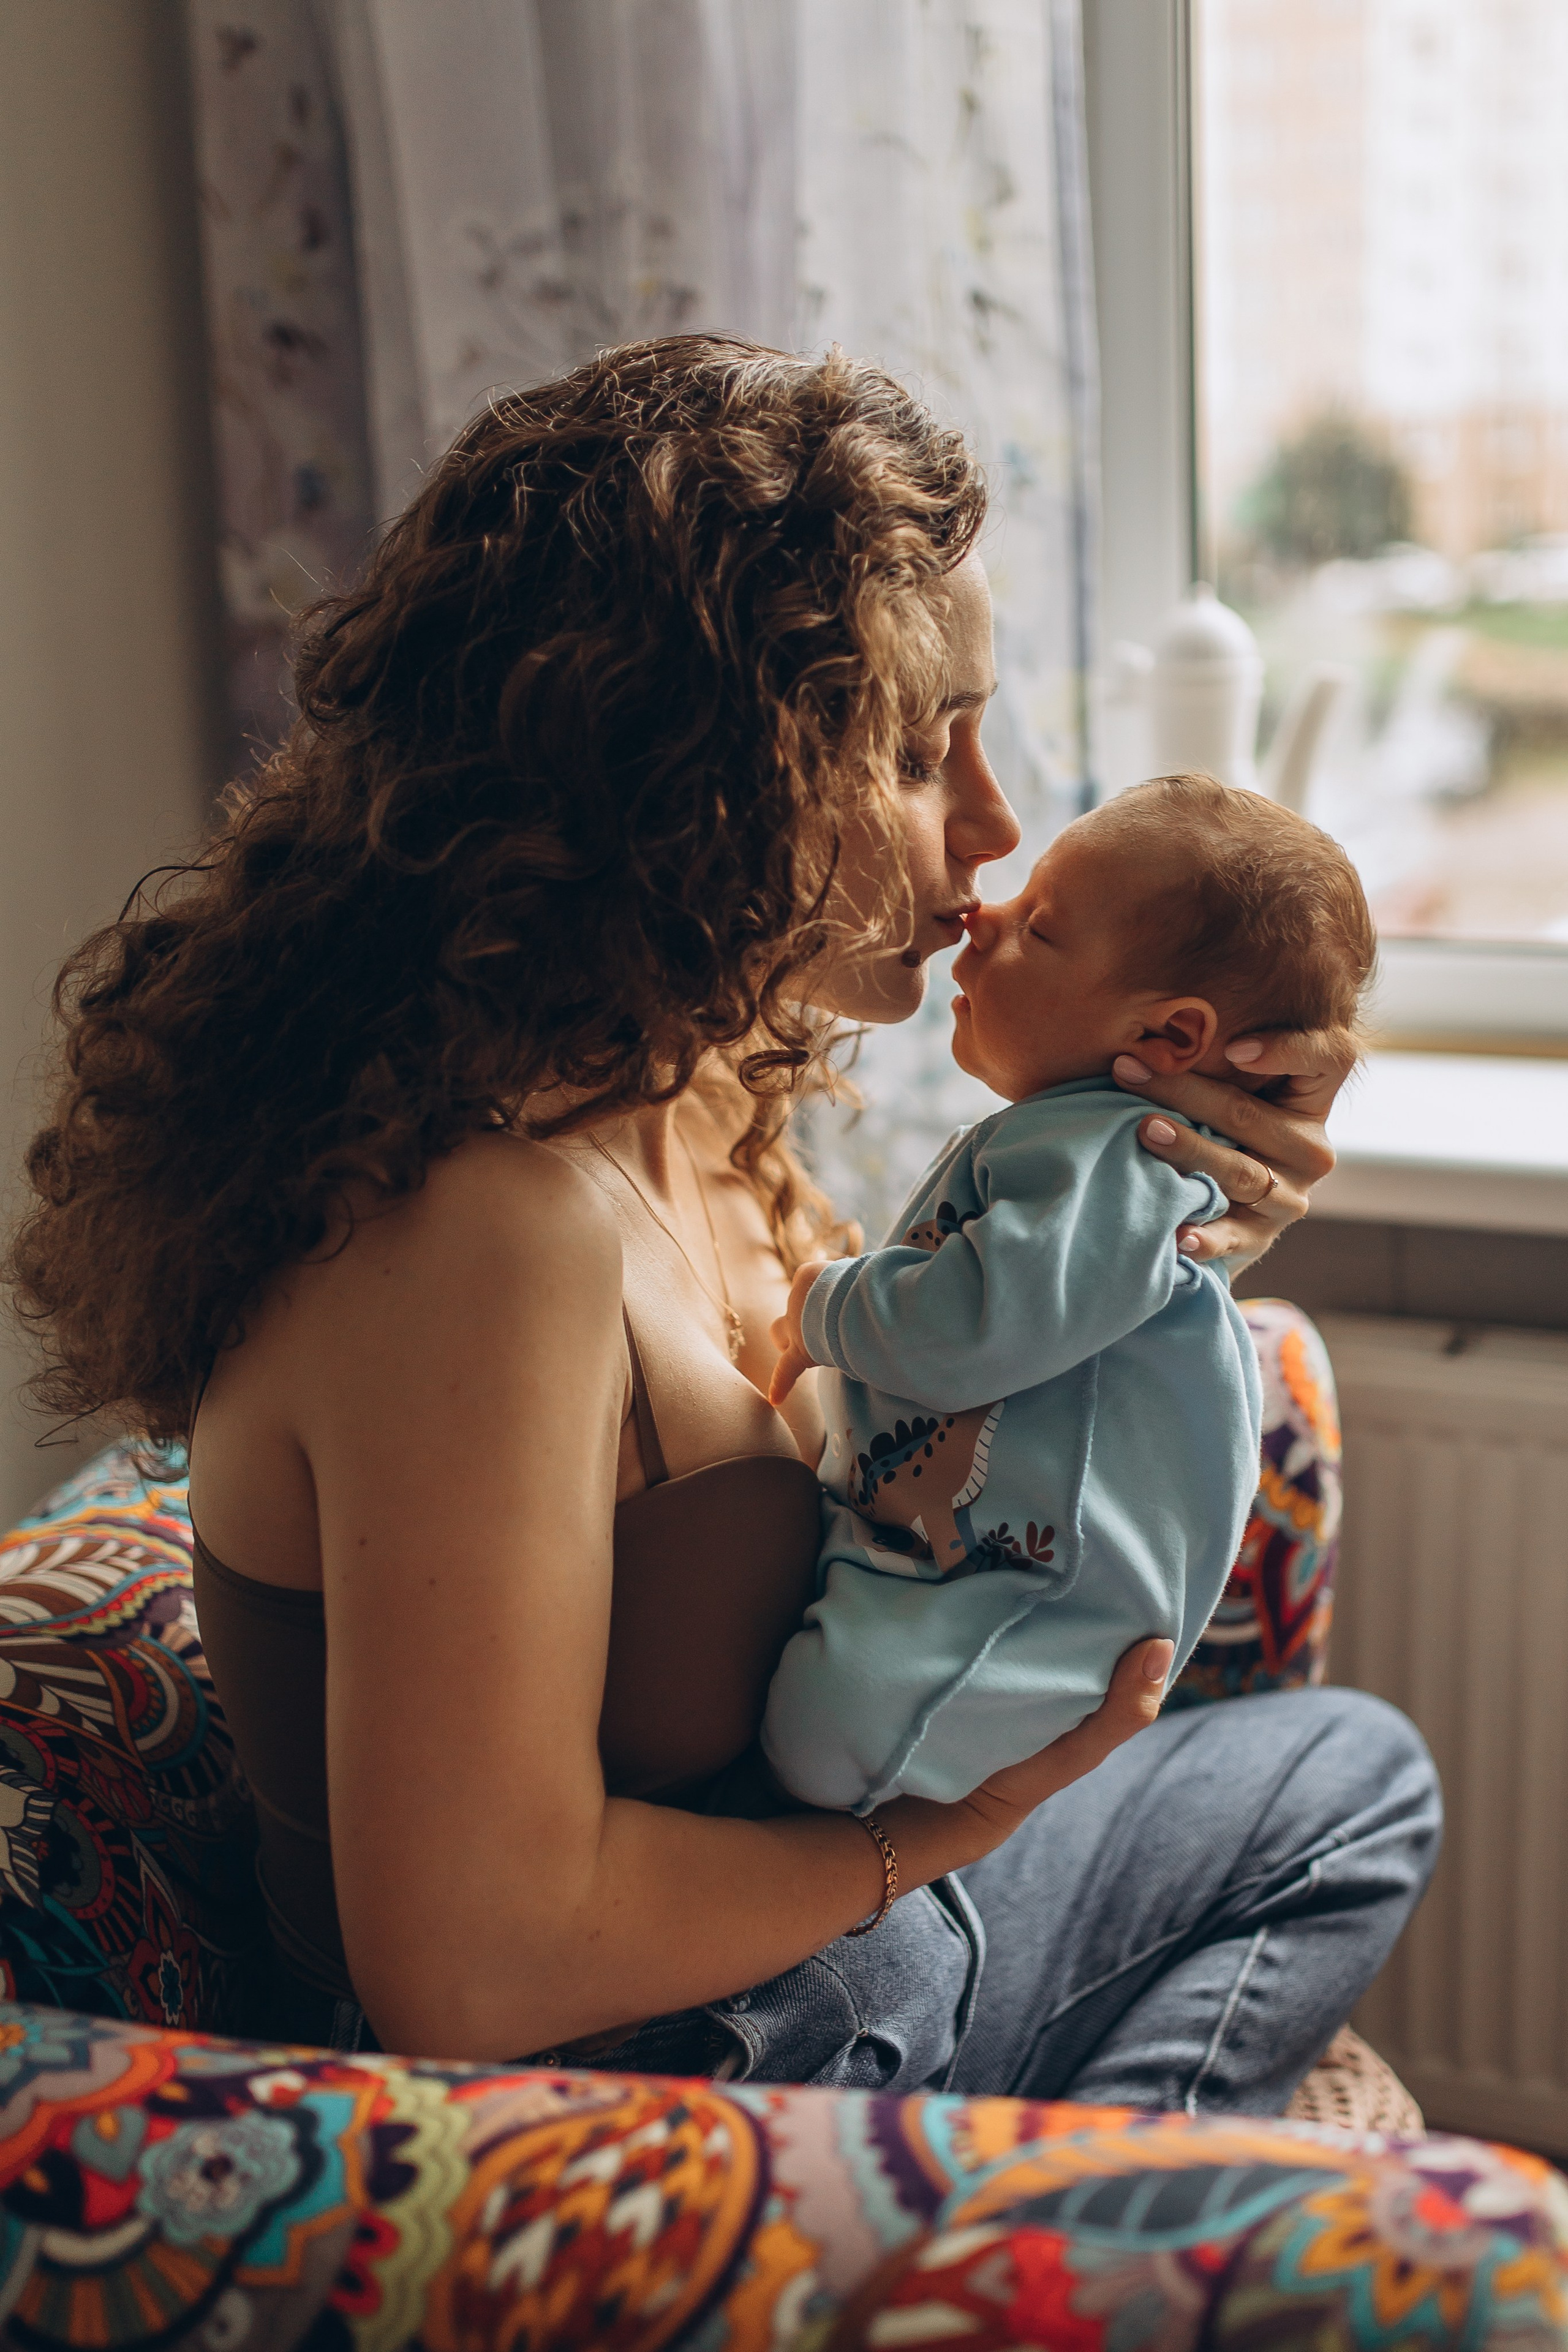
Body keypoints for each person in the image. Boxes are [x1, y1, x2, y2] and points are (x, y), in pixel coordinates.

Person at [6, 336, 1439, 2102]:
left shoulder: (702, 1094)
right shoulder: (475, 1237)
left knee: (1350, 1774)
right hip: (720, 2057)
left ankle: (1064, 2196)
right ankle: (1053, 2213)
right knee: (1321, 1819)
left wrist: (1156, 1230)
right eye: (923, 751)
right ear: (701, 769)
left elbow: (933, 1406)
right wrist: (942, 1837)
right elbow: (474, 1961)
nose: (990, 829)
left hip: (848, 1937)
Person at [761, 777, 1373, 1814]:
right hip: (968, 1578)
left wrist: (825, 1305)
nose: (982, 910)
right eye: (917, 753)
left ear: (1174, 1040)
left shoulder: (1111, 1152)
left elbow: (971, 1329)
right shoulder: (1094, 1147)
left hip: (1014, 1612)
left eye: (1037, 927)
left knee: (828, 1736)